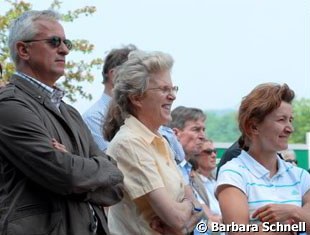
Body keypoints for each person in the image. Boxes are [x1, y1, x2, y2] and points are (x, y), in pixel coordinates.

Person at [0, 10, 124, 235]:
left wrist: (76, 170)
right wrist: (84, 172)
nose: (65, 50)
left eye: (66, 42)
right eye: (54, 42)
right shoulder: (9, 107)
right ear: (23, 50)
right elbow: (68, 175)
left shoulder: (70, 112)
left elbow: (115, 187)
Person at [103, 50, 205, 234]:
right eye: (163, 89)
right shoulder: (130, 144)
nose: (172, 96)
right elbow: (177, 218)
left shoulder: (160, 140)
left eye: (173, 89)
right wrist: (188, 211)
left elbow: (191, 208)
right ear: (136, 98)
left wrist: (187, 211)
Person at [216, 83, 310, 234]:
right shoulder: (233, 173)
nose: (290, 128)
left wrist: (293, 212)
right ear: (253, 127)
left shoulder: (300, 175)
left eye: (290, 120)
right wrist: (295, 224)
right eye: (281, 120)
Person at [83, 45, 137, 152]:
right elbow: (113, 159)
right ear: (114, 75)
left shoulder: (139, 112)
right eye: (134, 73)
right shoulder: (94, 117)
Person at [189, 139, 222, 234]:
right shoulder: (191, 181)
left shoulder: (216, 180)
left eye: (215, 151)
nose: (214, 155)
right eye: (208, 152)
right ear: (195, 155)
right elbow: (211, 218)